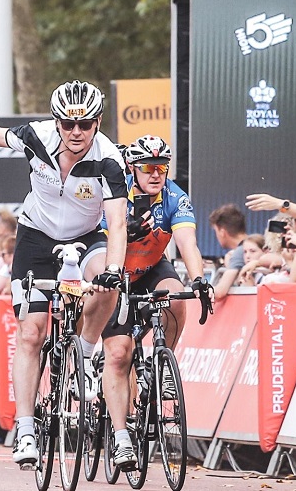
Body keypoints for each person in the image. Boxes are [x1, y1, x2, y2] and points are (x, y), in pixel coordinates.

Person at [0, 80, 129, 467]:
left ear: (98, 122)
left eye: (85, 124)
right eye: (68, 124)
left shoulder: (109, 159)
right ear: (56, 122)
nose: (76, 132)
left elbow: (117, 224)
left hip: (86, 237)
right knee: (32, 332)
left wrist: (115, 270)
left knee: (108, 282)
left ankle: (85, 355)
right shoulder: (38, 136)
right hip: (36, 239)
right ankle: (25, 428)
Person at [101, 136, 207, 472]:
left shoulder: (175, 197)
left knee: (175, 294)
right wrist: (122, 233)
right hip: (115, 274)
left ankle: (163, 365)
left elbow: (187, 242)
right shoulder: (116, 191)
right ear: (133, 168)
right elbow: (97, 237)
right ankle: (121, 436)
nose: (156, 173)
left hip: (149, 269)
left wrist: (199, 279)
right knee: (119, 354)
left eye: (162, 167)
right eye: (148, 167)